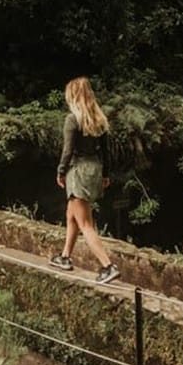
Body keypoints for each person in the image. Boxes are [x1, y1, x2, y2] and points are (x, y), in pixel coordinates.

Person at [49, 76, 120, 284]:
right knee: (71, 214)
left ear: (73, 96)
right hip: (95, 169)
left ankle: (108, 266)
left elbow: (68, 150)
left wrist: (61, 171)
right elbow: (107, 153)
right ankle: (65, 257)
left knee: (86, 223)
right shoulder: (99, 120)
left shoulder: (73, 119)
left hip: (78, 171)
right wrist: (106, 174)